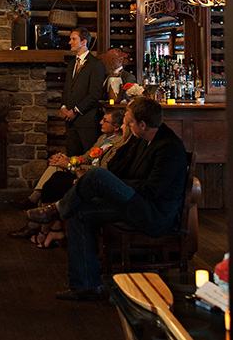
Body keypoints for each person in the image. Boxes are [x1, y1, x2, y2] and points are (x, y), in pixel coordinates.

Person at [27, 96, 187, 300]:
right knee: (79, 212)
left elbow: (151, 189)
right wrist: (125, 143)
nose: (126, 125)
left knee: (96, 175)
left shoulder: (169, 147)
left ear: (143, 124)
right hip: (134, 203)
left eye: (129, 122)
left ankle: (56, 210)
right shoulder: (140, 140)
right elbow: (117, 169)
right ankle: (86, 286)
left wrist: (115, 186)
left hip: (154, 214)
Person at [8, 108, 132, 246]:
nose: (100, 122)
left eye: (105, 121)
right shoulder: (103, 138)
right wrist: (68, 159)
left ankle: (38, 227)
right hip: (83, 171)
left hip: (89, 178)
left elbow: (102, 171)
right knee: (54, 167)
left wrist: (68, 165)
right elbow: (86, 157)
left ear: (116, 127)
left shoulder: (119, 144)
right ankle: (36, 205)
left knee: (54, 183)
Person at [61, 27, 106, 156]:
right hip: (70, 122)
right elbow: (67, 89)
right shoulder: (71, 64)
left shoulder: (95, 64)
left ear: (84, 42)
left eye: (73, 39)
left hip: (86, 122)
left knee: (88, 158)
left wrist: (75, 110)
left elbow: (95, 94)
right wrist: (64, 107)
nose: (70, 42)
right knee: (72, 158)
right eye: (70, 39)